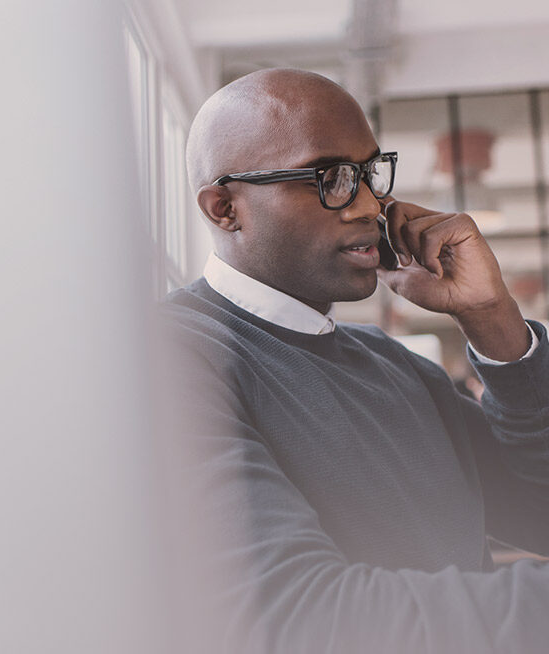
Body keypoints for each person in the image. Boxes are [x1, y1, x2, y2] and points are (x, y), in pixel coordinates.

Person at [160, 68, 549, 654]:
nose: (370, 203)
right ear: (224, 209)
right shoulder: (168, 360)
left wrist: (493, 320)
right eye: (330, 177)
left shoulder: (398, 368)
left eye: (370, 172)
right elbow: (301, 620)